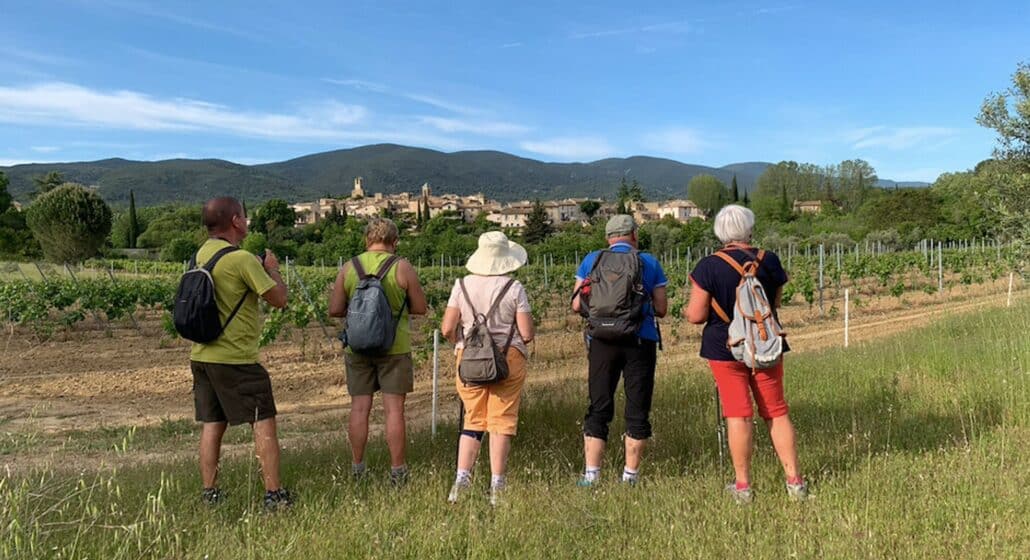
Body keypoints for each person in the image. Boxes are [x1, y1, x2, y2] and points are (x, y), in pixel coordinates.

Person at [685, 204, 808, 503]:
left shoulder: (708, 266)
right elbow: (773, 304)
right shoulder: (770, 260)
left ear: (720, 233)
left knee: (738, 415)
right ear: (749, 229)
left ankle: (743, 488)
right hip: (765, 344)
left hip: (724, 348)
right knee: (776, 412)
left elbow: (695, 315)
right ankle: (795, 483)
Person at [188, 197, 292, 510]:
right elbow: (279, 299)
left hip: (202, 355)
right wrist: (272, 270)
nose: (246, 221)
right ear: (235, 221)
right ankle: (274, 495)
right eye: (244, 217)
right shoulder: (242, 259)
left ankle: (210, 493)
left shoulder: (199, 255)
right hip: (237, 359)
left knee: (212, 424)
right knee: (264, 423)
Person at [329, 217, 427, 484]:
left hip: (357, 348)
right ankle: (397, 471)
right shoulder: (402, 267)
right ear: (394, 242)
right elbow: (420, 308)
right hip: (394, 347)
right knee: (394, 410)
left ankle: (358, 468)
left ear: (367, 240)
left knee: (359, 408)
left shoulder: (349, 267)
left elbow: (335, 309)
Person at [571, 215, 668, 486]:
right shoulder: (649, 262)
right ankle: (630, 477)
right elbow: (661, 308)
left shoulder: (593, 260)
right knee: (637, 408)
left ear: (608, 238)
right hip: (640, 340)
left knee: (599, 405)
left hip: (601, 340)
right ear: (634, 235)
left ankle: (592, 476)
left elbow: (577, 305)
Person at [440, 231, 535, 506]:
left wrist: (461, 342)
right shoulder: (514, 288)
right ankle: (497, 487)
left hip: (468, 359)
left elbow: (447, 327)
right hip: (509, 359)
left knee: (473, 419)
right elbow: (526, 332)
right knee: (501, 421)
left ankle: (461, 482)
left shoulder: (462, 285)